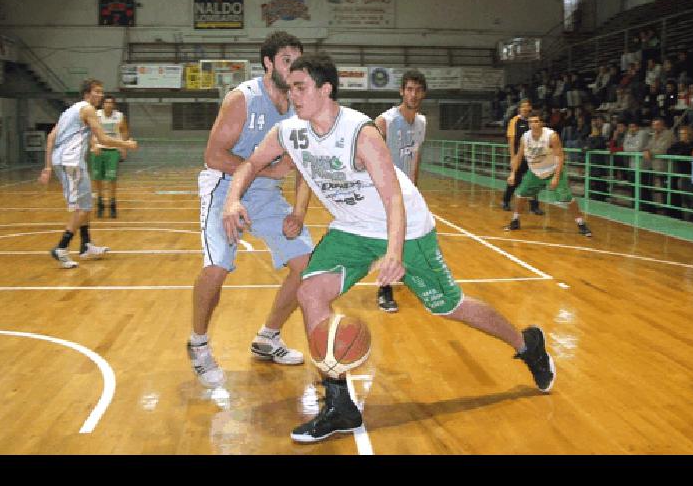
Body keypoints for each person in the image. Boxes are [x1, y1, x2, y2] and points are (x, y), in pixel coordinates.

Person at [222, 53, 556, 443]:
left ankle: (526, 344)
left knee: (448, 305)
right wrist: (233, 200)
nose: (292, 95)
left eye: (300, 87)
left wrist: (394, 252)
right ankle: (339, 404)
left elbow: (393, 197)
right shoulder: (288, 132)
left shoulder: (359, 132)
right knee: (310, 291)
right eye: (289, 87)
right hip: (351, 229)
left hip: (407, 226)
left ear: (326, 88)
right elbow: (247, 165)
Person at [187, 31, 314, 388]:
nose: (293, 68)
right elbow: (213, 156)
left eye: (297, 61)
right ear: (268, 63)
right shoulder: (242, 99)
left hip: (266, 193)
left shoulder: (299, 107)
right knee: (216, 267)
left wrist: (299, 213)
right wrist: (265, 169)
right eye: (286, 60)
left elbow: (302, 165)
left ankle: (268, 337)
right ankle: (197, 342)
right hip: (224, 185)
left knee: (307, 264)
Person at [38, 78, 138, 268]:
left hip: (67, 161)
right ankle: (61, 247)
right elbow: (103, 138)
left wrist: (48, 166)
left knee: (86, 204)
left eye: (102, 92)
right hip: (71, 162)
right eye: (97, 91)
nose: (100, 95)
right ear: (86, 93)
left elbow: (51, 137)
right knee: (82, 208)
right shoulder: (88, 110)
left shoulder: (69, 111)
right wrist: (126, 144)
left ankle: (86, 244)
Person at [371, 68, 428, 313]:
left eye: (417, 90)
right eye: (409, 89)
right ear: (401, 92)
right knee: (388, 240)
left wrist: (414, 189)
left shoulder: (422, 122)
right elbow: (367, 150)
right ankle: (384, 290)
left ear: (423, 94)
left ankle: (402, 272)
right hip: (385, 190)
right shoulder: (386, 121)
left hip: (407, 190)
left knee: (409, 234)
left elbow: (416, 155)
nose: (413, 95)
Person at [504, 111, 593, 237]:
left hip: (552, 170)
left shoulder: (551, 136)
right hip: (534, 172)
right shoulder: (525, 137)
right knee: (520, 195)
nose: (533, 124)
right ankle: (515, 220)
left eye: (535, 121)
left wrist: (556, 177)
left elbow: (560, 156)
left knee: (566, 198)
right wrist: (513, 173)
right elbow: (519, 156)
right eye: (530, 122)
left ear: (541, 123)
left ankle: (581, 224)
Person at [501, 99, 543, 215]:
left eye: (527, 106)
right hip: (519, 156)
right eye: (523, 106)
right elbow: (511, 140)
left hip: (532, 157)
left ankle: (534, 207)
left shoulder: (534, 121)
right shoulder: (515, 121)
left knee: (534, 181)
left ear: (530, 108)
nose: (525, 108)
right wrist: (513, 157)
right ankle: (506, 201)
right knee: (515, 180)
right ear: (519, 108)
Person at [91, 94, 130, 218]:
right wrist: (93, 145)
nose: (108, 104)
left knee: (111, 178)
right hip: (98, 149)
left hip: (113, 150)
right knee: (97, 178)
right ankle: (100, 203)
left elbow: (124, 131)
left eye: (110, 102)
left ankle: (112, 203)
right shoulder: (96, 115)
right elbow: (90, 132)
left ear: (113, 104)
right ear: (103, 104)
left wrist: (123, 146)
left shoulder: (119, 116)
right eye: (106, 102)